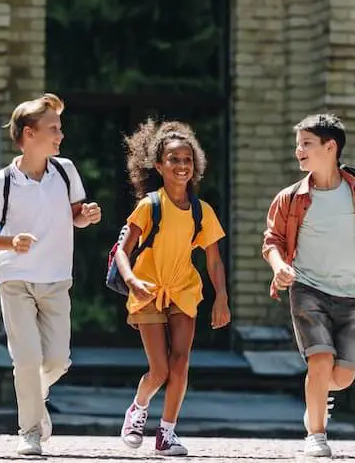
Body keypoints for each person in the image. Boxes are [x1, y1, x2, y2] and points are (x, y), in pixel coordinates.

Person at [262, 113, 355, 458]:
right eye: (297, 145)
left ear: (330, 146)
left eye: (306, 144)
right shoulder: (290, 198)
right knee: (319, 361)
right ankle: (316, 436)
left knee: (343, 376)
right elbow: (272, 241)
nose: (298, 151)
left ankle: (318, 399)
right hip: (306, 289)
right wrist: (279, 267)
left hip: (349, 293)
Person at [0, 93, 101, 456]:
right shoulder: (3, 181)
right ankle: (29, 430)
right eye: (54, 129)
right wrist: (11, 242)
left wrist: (87, 216)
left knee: (58, 361)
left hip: (56, 278)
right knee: (27, 359)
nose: (60, 136)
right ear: (29, 134)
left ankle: (35, 394)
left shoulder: (66, 171)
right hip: (15, 279)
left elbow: (76, 214)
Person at [114, 119, 231, 457]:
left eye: (187, 160)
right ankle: (138, 407)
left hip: (183, 290)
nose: (182, 166)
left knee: (180, 364)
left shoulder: (201, 211)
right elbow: (123, 250)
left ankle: (166, 434)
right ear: (158, 165)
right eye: (174, 159)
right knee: (160, 369)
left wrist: (220, 297)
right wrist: (133, 281)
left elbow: (214, 261)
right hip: (148, 289)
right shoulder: (150, 205)